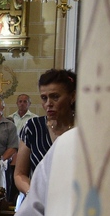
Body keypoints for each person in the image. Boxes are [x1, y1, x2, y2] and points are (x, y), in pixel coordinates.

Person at [13, 68, 76, 196]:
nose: (48, 104)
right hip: (38, 200)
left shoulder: (83, 130)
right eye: (44, 98)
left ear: (72, 96)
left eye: (55, 97)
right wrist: (33, 194)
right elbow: (19, 174)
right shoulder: (33, 127)